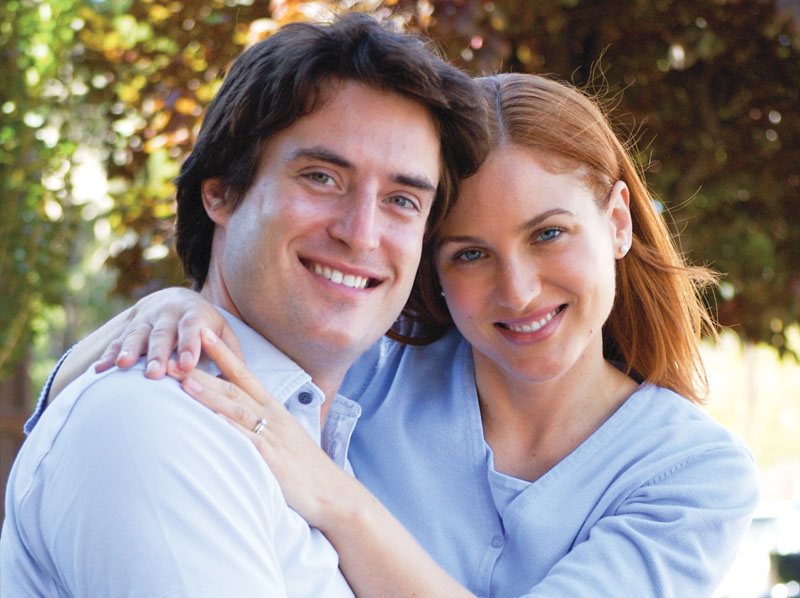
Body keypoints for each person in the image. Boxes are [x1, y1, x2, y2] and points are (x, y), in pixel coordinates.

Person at [23, 73, 758, 597]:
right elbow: (123, 416)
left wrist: (339, 502)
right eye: (468, 253)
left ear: (619, 223)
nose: (519, 290)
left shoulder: (691, 476)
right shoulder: (363, 374)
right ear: (431, 268)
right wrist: (156, 315)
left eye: (550, 234)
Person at [0, 14, 489, 597]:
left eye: (403, 200)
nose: (362, 234)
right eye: (322, 177)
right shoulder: (160, 424)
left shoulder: (341, 438)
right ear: (221, 191)